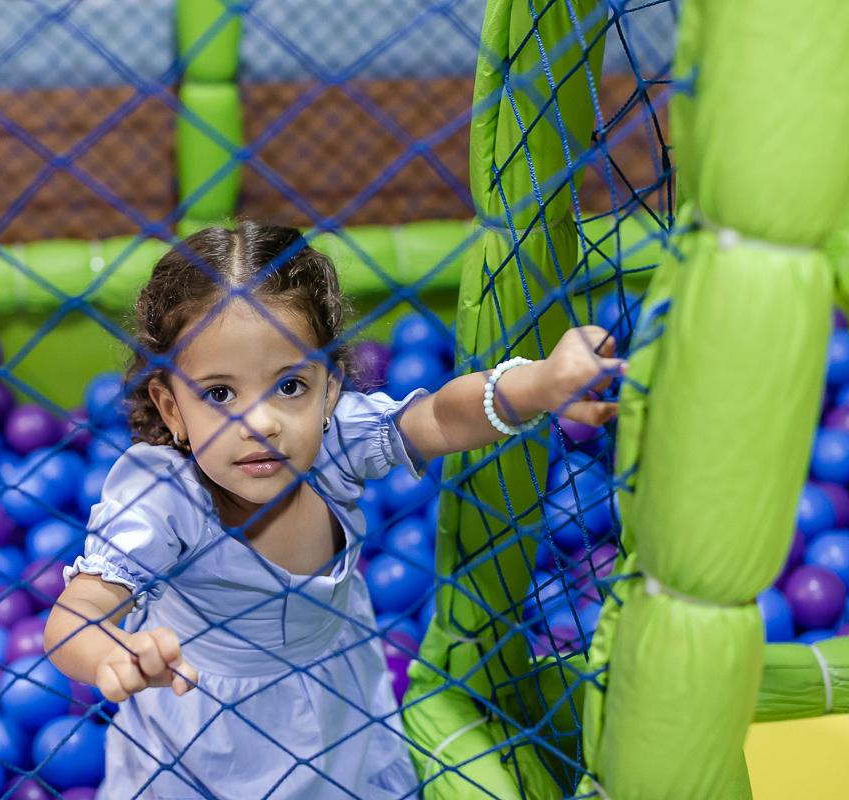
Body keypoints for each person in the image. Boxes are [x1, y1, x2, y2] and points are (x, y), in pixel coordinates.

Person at [43, 221, 622, 799]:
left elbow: (442, 417)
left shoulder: (335, 443)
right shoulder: (163, 496)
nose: (261, 422)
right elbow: (77, 613)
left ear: (329, 390)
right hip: (201, 735)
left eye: (289, 386)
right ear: (171, 410)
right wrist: (112, 652)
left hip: (335, 709)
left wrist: (541, 382)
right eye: (220, 394)